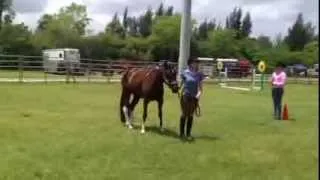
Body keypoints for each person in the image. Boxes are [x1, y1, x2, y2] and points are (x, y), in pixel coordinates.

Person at [179, 57, 204, 140]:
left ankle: (188, 134)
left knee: (190, 115)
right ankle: (182, 133)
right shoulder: (185, 73)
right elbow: (181, 85)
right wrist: (179, 92)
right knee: (184, 114)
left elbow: (200, 88)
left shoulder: (199, 74)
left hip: (194, 98)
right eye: (195, 62)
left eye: (197, 62)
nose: (197, 64)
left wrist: (198, 95)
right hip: (185, 96)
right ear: (190, 63)